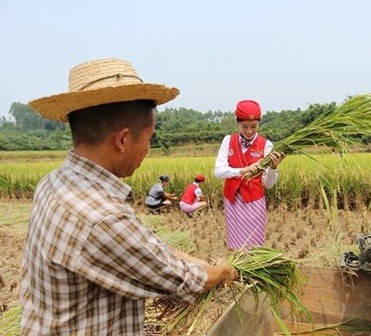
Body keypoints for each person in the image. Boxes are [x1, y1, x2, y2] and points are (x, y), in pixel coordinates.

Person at [20, 58, 237, 335]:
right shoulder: (102, 217)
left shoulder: (54, 183)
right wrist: (220, 271)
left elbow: (145, 247)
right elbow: (176, 278)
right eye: (149, 138)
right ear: (123, 140)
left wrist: (202, 264)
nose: (148, 149)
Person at [214, 100, 285, 250]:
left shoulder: (266, 145)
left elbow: (268, 184)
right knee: (235, 245)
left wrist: (273, 167)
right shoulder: (228, 140)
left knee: (253, 245)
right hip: (233, 200)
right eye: (244, 126)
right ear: (237, 123)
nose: (249, 131)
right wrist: (242, 171)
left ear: (259, 123)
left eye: (254, 126)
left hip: (254, 202)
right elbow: (218, 171)